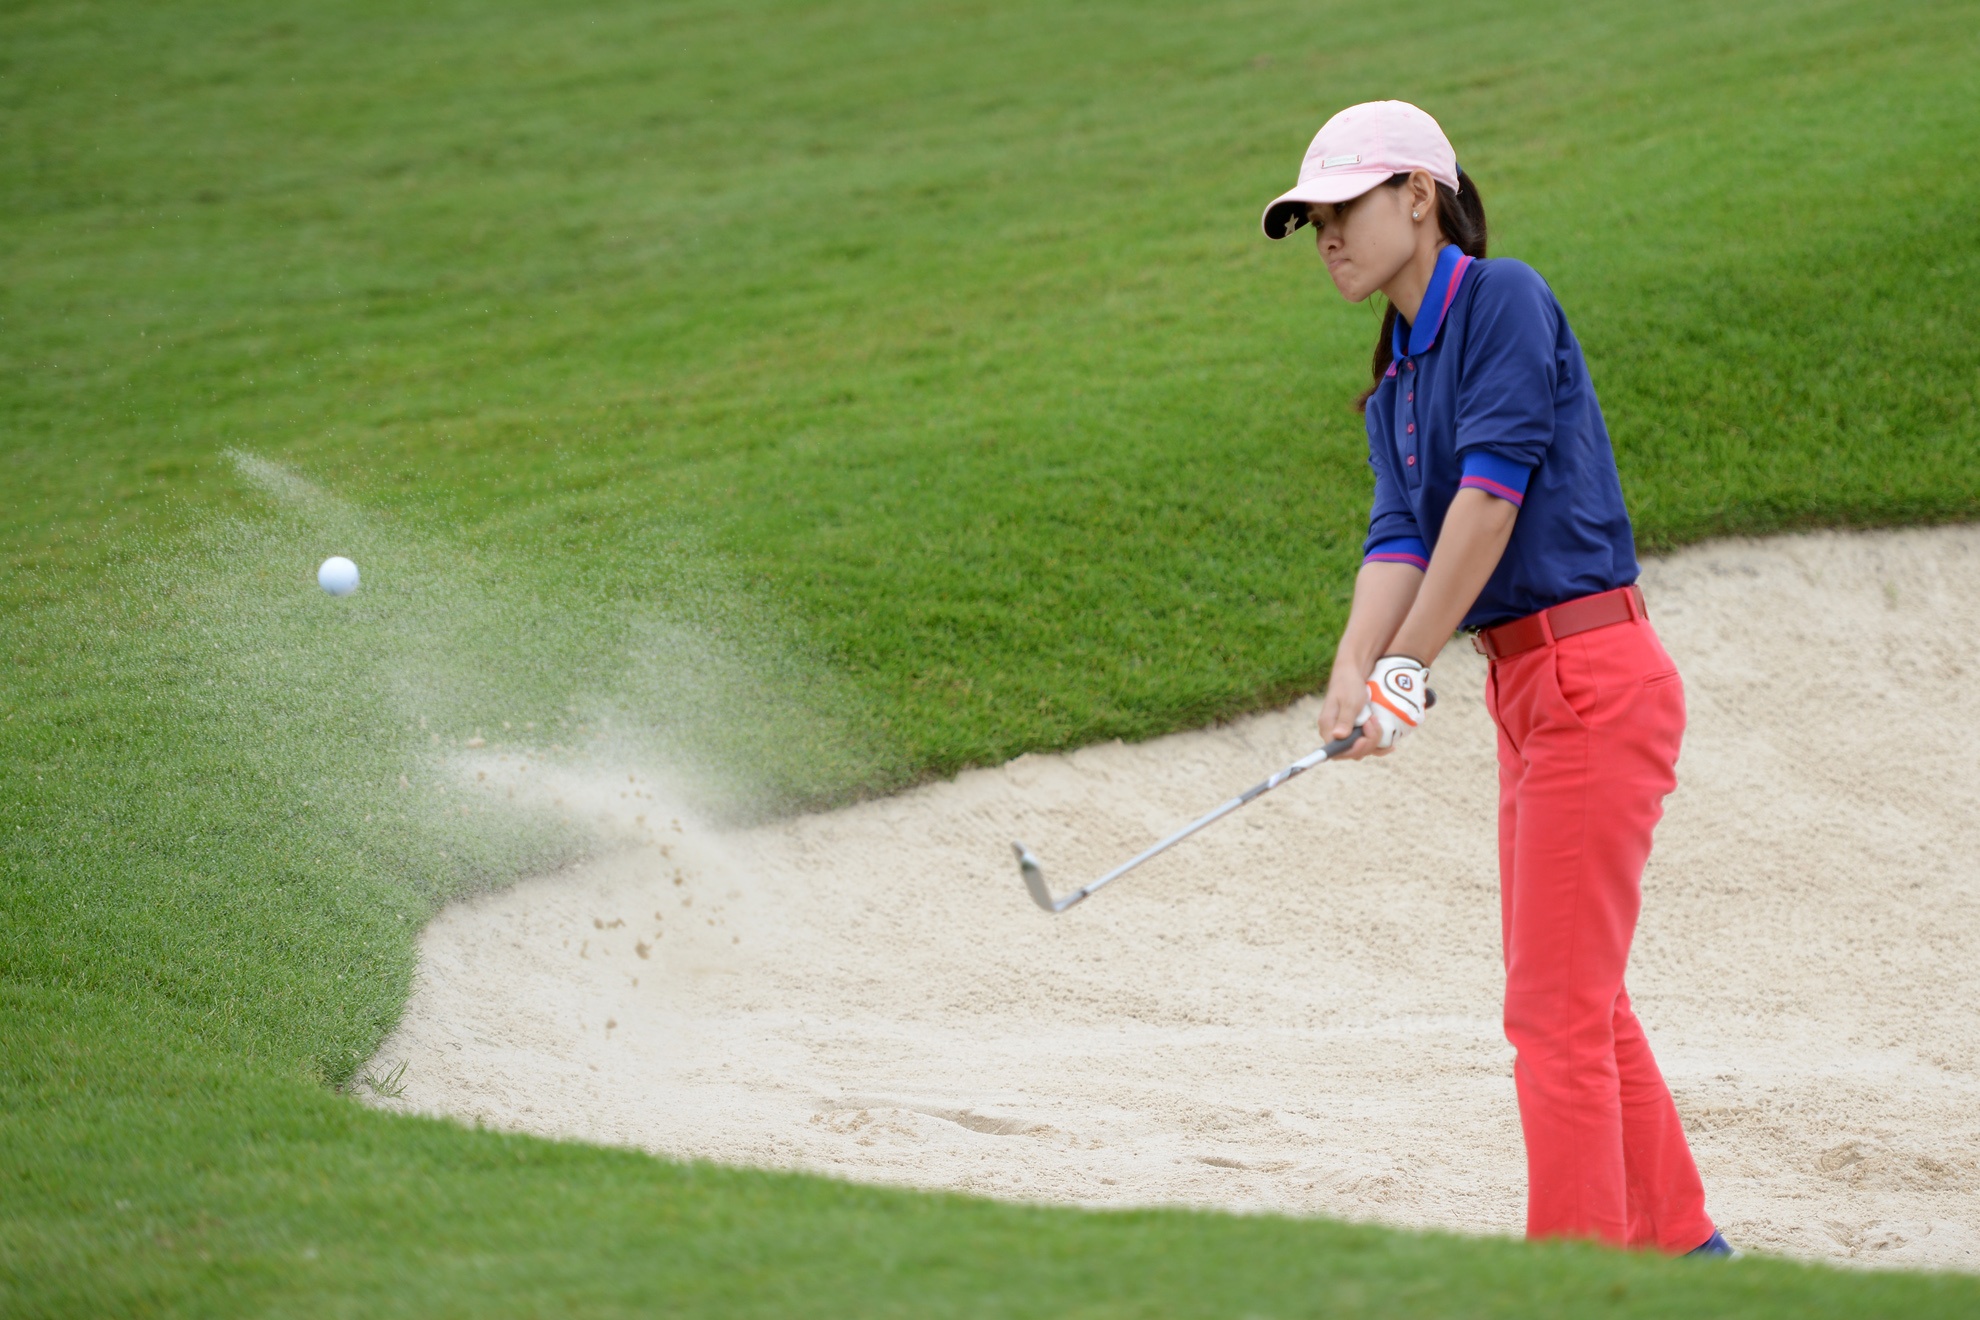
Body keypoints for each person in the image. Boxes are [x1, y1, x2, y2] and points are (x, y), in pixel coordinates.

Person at [1260, 100, 1736, 1257]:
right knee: (1582, 1001)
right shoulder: (1395, 377)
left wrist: (1407, 666)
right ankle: (1687, 1253)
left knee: (1552, 1014)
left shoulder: (1502, 299)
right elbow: (1399, 537)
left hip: (1593, 677)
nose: (1328, 235)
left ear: (1419, 196)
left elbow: (1489, 500)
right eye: (1314, 220)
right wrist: (1353, 668)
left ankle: (1574, 1279)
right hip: (1532, 694)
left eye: (1346, 207)